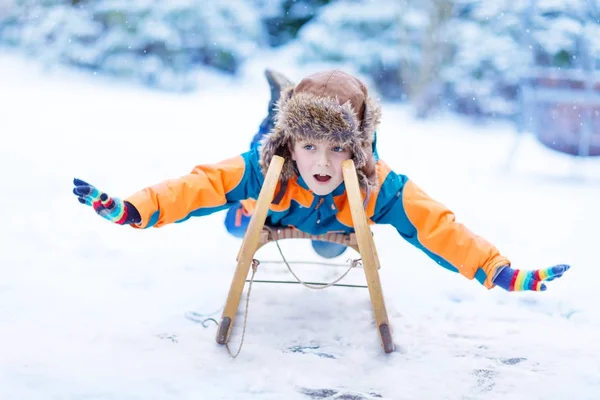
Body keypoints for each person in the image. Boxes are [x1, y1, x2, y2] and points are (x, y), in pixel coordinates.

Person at [72, 69, 570, 292]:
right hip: (273, 206)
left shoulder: (378, 183)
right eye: (310, 146)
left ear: (357, 148)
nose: (323, 162)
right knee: (240, 203)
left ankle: (284, 107)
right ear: (295, 146)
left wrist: (498, 270)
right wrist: (132, 208)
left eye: (337, 148)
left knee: (333, 249)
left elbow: (439, 226)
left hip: (336, 221)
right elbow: (194, 185)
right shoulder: (274, 162)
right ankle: (277, 109)